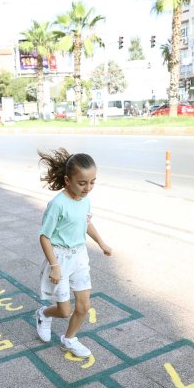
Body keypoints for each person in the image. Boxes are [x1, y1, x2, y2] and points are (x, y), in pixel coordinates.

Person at [33, 149, 112, 358]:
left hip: (79, 257)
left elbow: (86, 223)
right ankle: (43, 314)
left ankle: (69, 339)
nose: (88, 188)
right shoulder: (57, 204)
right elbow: (44, 236)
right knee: (65, 311)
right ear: (68, 180)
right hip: (59, 258)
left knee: (84, 305)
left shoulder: (84, 200)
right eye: (82, 183)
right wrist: (54, 266)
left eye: (93, 182)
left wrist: (102, 243)